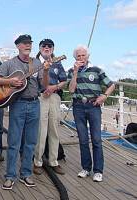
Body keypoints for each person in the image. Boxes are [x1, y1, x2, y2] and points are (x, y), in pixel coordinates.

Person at [0, 34, 50, 190]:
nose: (28, 45)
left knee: (30, 142)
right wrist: (9, 81)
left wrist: (47, 71)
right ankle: (10, 176)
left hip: (35, 104)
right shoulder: (10, 63)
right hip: (18, 105)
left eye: (29, 43)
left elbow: (44, 86)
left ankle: (26, 174)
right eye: (24, 43)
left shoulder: (37, 63)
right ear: (18, 46)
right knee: (14, 143)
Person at [68, 45, 115, 182]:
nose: (81, 58)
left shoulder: (97, 70)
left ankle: (98, 171)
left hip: (94, 106)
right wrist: (76, 72)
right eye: (78, 56)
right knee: (83, 139)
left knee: (96, 139)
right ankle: (86, 168)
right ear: (75, 58)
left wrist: (104, 96)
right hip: (78, 106)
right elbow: (71, 90)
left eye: (83, 55)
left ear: (88, 56)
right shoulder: (71, 71)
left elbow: (111, 85)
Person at [33, 39, 67, 175]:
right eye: (44, 46)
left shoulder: (57, 63)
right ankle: (37, 161)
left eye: (49, 46)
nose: (47, 48)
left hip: (54, 97)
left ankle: (54, 161)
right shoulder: (34, 63)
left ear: (53, 49)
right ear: (40, 48)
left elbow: (64, 80)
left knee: (54, 129)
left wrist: (55, 87)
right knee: (41, 130)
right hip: (40, 97)